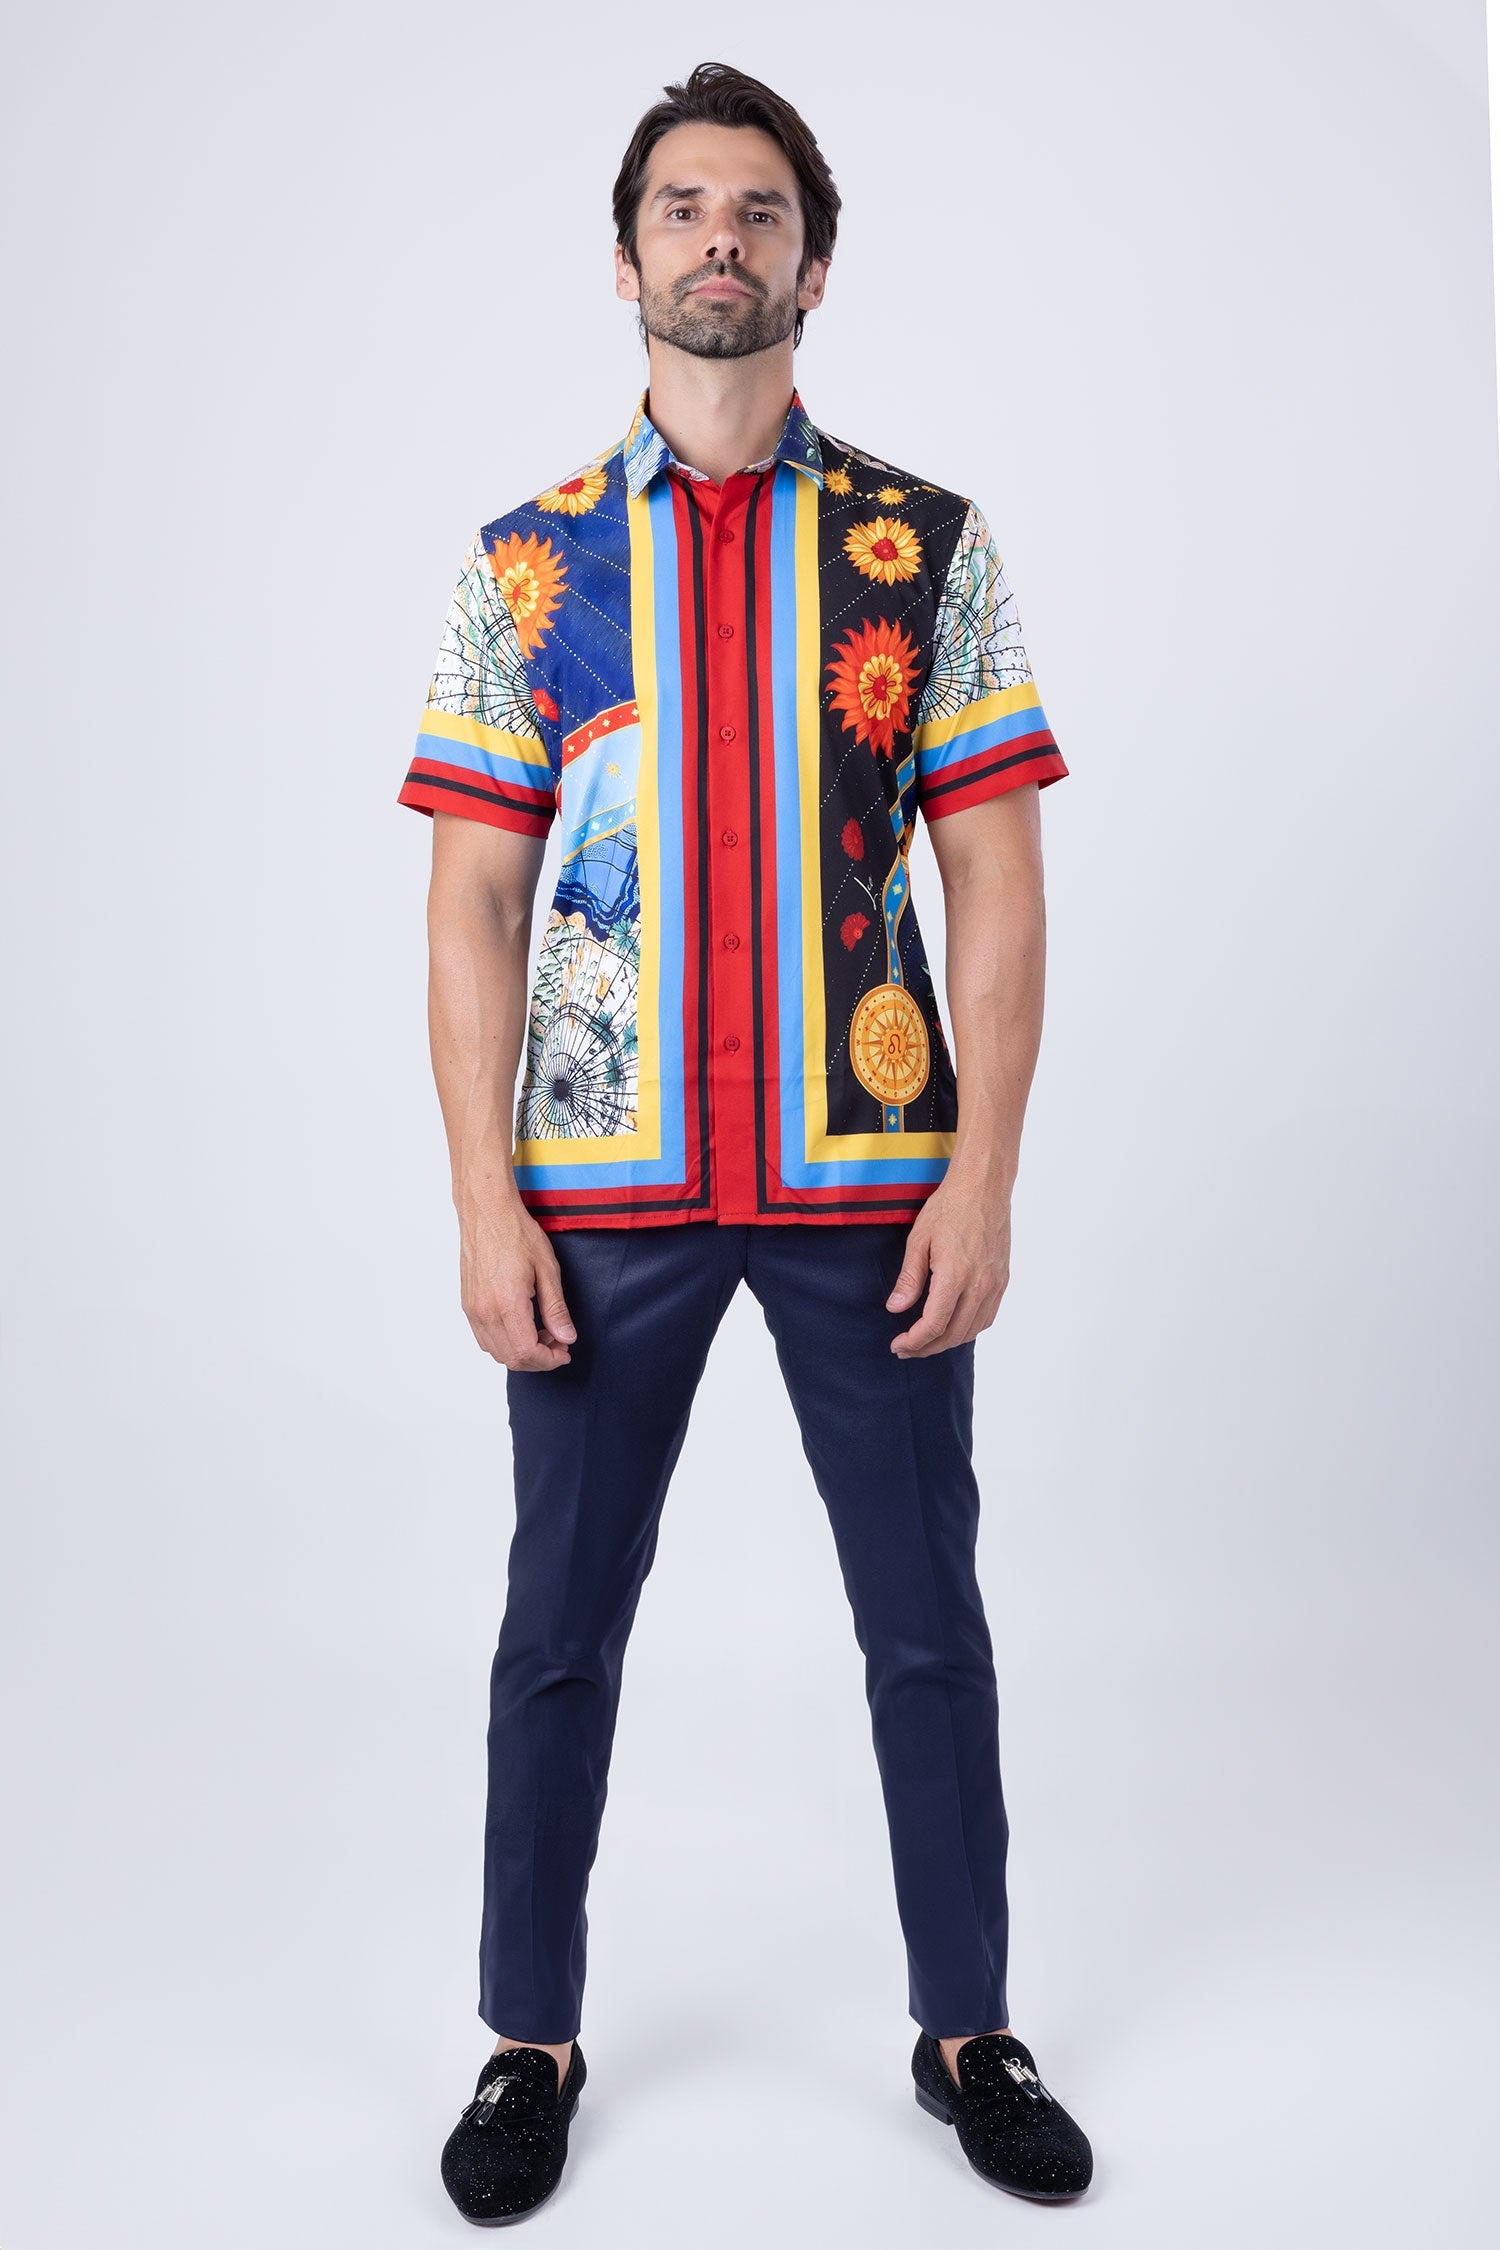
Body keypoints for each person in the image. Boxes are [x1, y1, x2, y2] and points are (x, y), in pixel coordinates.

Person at [397, 59, 1094, 2226]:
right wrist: (482, 1196)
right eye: (684, 209)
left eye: (760, 211)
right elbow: (472, 902)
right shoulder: (527, 567)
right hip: (600, 1198)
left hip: (870, 1182)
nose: (722, 240)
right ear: (625, 263)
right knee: (556, 1627)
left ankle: (967, 2028)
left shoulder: (926, 550)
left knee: (926, 1625)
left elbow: (996, 876)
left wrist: (984, 1170)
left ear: (815, 261)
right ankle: (529, 2036)